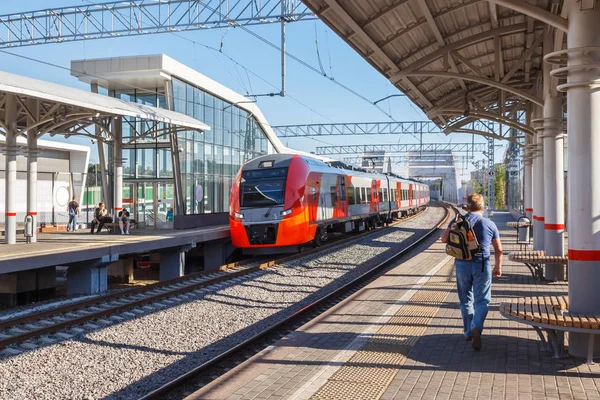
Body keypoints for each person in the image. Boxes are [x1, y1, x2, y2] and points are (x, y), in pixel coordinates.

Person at [441, 193, 503, 351]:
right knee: (482, 300)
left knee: (465, 300)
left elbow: (443, 239)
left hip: (462, 264)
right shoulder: (489, 224)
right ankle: (477, 327)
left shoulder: (457, 222)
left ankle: (468, 332)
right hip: (482, 264)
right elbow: (499, 250)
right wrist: (498, 267)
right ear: (482, 207)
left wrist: (451, 227)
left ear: (467, 207)